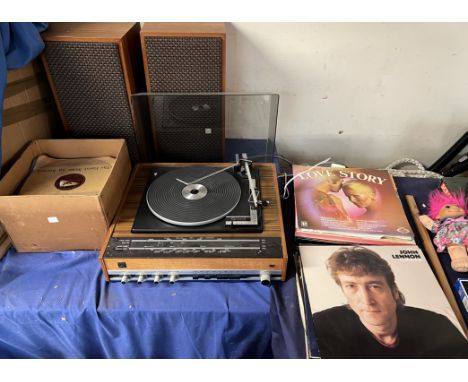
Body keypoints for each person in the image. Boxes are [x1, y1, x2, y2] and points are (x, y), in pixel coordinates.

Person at [312, 246, 468, 358]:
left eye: (374, 286)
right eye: (351, 286)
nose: (367, 300)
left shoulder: (435, 324)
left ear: (393, 290)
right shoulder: (322, 326)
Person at [419, 190, 468, 272]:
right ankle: (460, 261)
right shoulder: (443, 224)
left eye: (458, 206)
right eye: (448, 207)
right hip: (453, 240)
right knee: (456, 250)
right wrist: (426, 220)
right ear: (438, 216)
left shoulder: (465, 220)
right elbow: (433, 226)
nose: (455, 207)